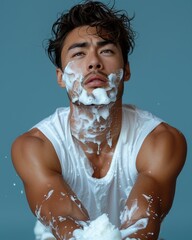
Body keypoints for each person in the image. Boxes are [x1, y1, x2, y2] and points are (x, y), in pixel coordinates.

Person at [11, 1, 187, 240]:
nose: (94, 62)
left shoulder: (160, 141)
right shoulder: (35, 147)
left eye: (106, 51)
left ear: (126, 70)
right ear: (61, 77)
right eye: (79, 53)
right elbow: (68, 226)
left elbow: (141, 226)